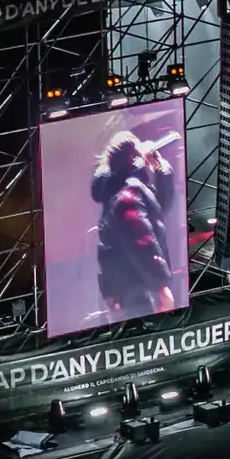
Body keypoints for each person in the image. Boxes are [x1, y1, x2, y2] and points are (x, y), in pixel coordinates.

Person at [92, 131, 181, 321]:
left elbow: (158, 209)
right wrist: (162, 287)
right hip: (135, 290)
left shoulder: (123, 186)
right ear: (133, 156)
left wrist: (160, 169)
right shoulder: (128, 192)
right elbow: (142, 240)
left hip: (132, 287)